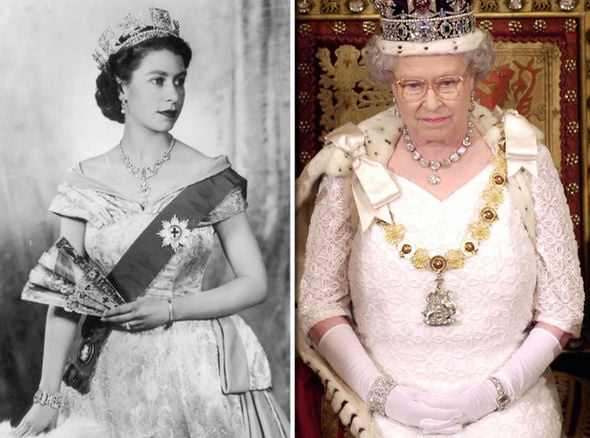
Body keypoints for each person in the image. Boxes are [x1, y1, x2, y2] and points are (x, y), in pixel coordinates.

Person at [296, 0, 585, 436]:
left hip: (509, 408)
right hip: (382, 410)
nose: (431, 102)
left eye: (448, 82)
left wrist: (496, 391)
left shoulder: (525, 159)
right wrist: (383, 395)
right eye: (413, 85)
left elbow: (564, 303)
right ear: (393, 86)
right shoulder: (351, 164)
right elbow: (319, 302)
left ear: (473, 80)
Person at [15, 8, 287, 438]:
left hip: (198, 372)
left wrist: (171, 309)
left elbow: (255, 283)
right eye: (157, 80)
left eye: (179, 81)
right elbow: (66, 299)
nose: (172, 96)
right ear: (122, 87)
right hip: (105, 370)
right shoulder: (83, 182)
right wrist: (47, 397)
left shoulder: (210, 177)